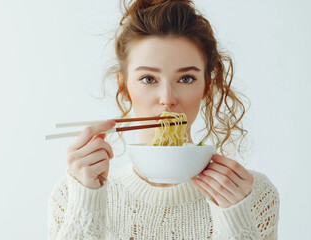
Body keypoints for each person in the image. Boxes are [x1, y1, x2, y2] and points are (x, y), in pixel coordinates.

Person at [48, 0, 280, 239]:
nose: (167, 99)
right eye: (149, 79)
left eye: (186, 78)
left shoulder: (253, 194)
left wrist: (235, 219)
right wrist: (87, 200)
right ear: (123, 86)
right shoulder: (73, 192)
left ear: (207, 86)